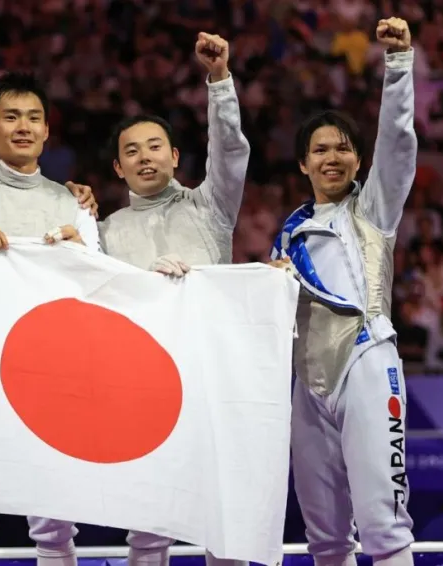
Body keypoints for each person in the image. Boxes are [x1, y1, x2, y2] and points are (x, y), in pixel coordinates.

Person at [268, 18, 418, 566]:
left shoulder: (374, 209)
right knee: (325, 539)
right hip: (307, 385)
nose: (332, 157)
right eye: (320, 149)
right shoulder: (287, 234)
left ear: (357, 160)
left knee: (383, 526)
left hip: (366, 361)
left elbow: (398, 146)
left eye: (343, 148)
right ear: (303, 163)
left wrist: (398, 67)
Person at [98, 31, 250, 566]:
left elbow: (230, 151)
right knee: (148, 523)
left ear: (175, 155)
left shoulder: (211, 207)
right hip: (145, 384)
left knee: (223, 518)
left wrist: (219, 81)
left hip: (213, 377)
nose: (144, 158)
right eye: (131, 152)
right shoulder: (104, 231)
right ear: (118, 169)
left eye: (154, 146)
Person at [0, 72, 99, 566]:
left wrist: (81, 252)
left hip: (54, 370)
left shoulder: (72, 202)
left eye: (33, 118)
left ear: (47, 130)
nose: (23, 127)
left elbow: (98, 287)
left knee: (55, 521)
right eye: (10, 117)